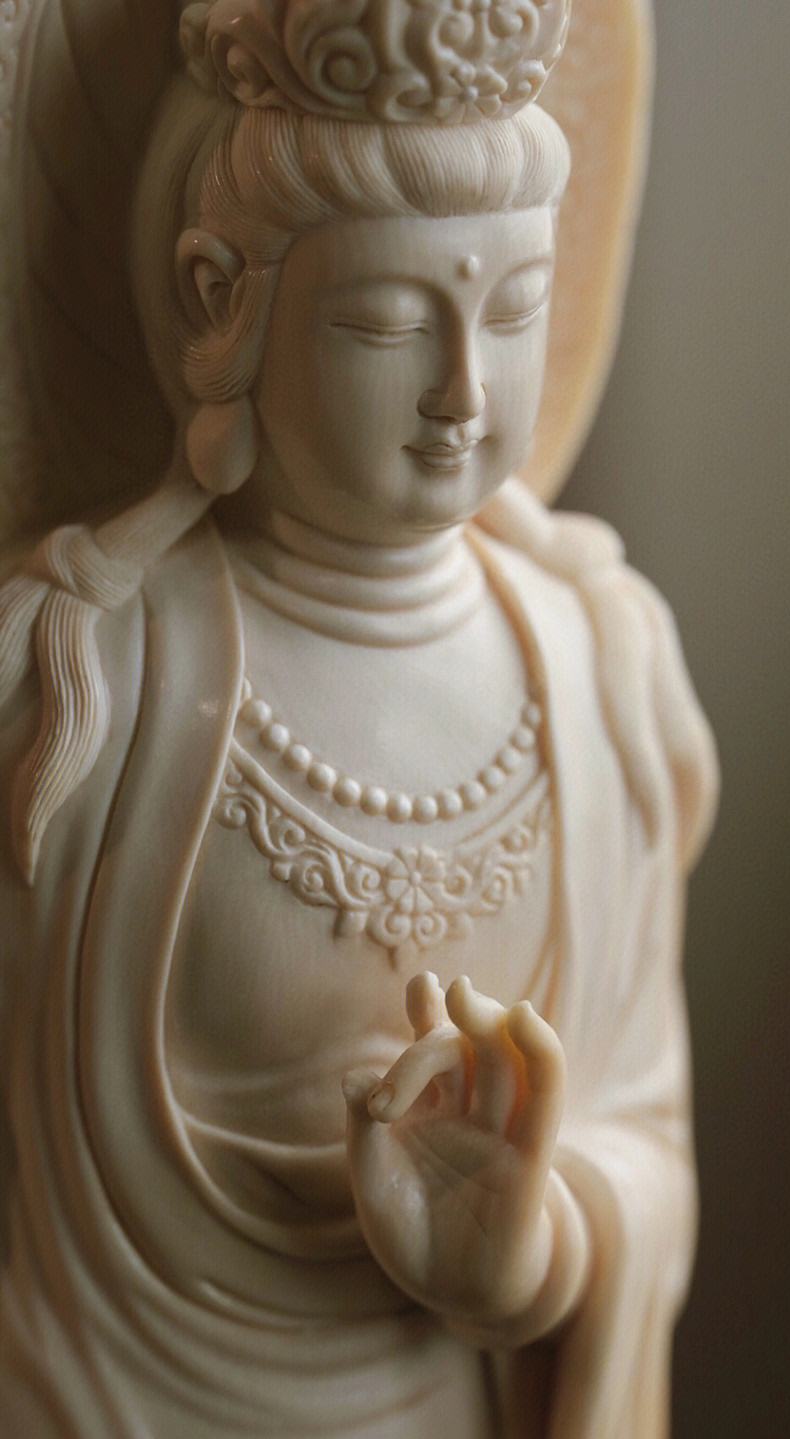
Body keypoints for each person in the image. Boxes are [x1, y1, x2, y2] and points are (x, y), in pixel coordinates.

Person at [0, 3, 717, 1434]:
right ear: (219, 298)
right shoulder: (80, 685)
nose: (463, 391)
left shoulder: (603, 674)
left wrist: (527, 1255)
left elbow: (645, 1133)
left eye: (514, 310)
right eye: (388, 323)